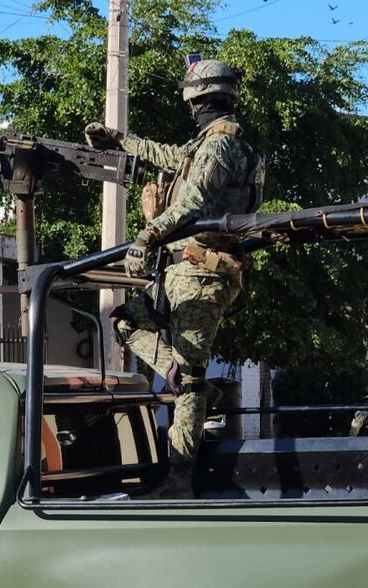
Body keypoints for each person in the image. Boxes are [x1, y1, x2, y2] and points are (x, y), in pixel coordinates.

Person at [84, 59, 264, 498]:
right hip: (188, 271)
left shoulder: (221, 147)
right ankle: (189, 383)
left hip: (203, 272)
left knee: (190, 378)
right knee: (128, 322)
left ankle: (180, 479)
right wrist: (122, 141)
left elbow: (193, 203)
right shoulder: (214, 143)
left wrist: (146, 234)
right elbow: (172, 157)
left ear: (196, 98)